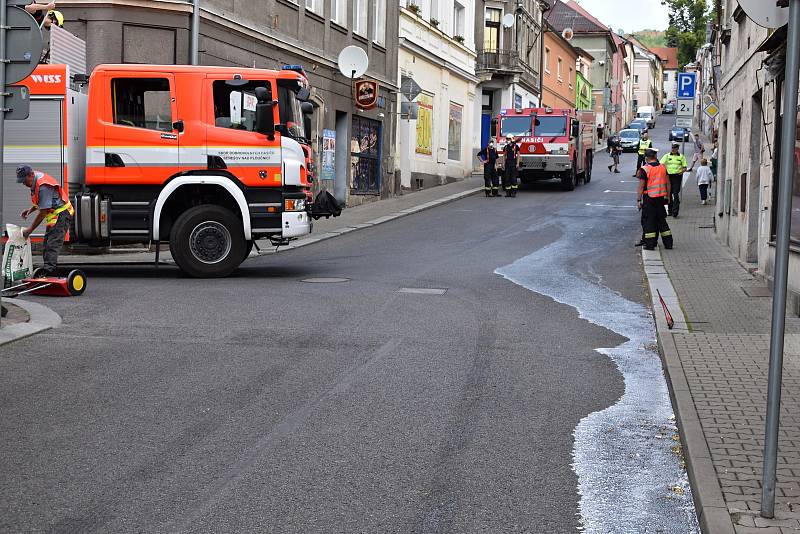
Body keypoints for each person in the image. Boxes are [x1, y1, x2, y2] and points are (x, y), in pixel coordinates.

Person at [16, 164, 74, 276]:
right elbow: (41, 201)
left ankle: (49, 272)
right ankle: (48, 270)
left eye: (24, 180)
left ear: (31, 175)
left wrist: (30, 230)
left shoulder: (43, 186)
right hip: (55, 215)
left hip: (62, 214)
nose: (23, 184)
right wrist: (30, 210)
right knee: (47, 243)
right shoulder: (35, 180)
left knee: (52, 244)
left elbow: (43, 212)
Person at [637, 149, 673, 251]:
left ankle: (650, 244)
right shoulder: (662, 167)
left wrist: (638, 200)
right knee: (661, 220)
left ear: (647, 158)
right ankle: (668, 243)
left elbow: (641, 186)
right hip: (661, 198)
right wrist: (669, 197)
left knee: (649, 221)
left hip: (649, 198)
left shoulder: (645, 169)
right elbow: (668, 183)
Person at [660, 143, 688, 217]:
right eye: (672, 148)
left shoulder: (681, 157)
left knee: (675, 194)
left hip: (677, 177)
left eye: (674, 148)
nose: (673, 149)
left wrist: (681, 172)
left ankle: (675, 211)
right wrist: (664, 171)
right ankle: (670, 211)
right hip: (668, 177)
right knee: (668, 194)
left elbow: (685, 167)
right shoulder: (667, 155)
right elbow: (661, 164)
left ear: (677, 149)